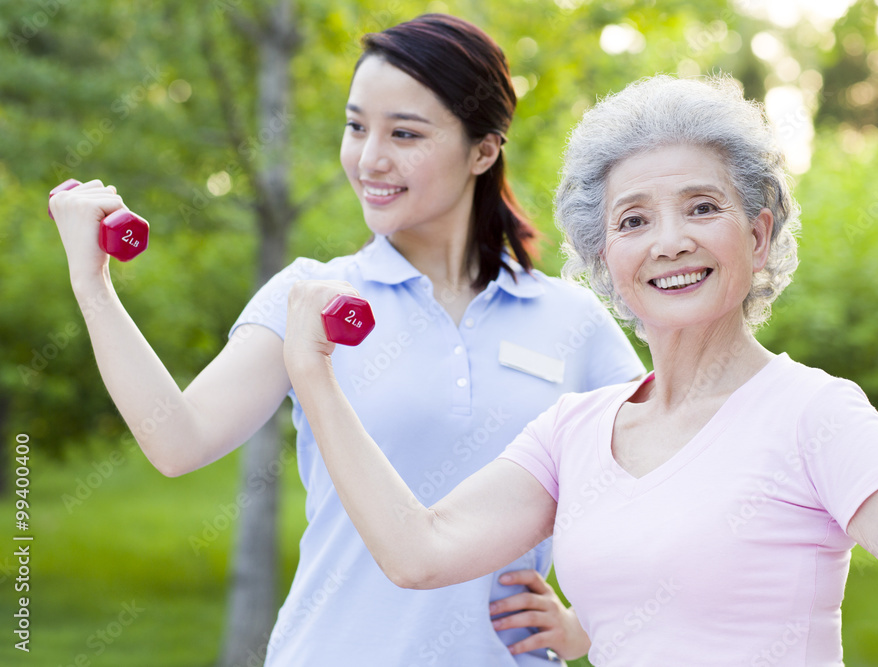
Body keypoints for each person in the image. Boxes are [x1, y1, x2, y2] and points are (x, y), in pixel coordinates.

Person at [281, 73, 878, 666]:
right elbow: (420, 550)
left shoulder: (814, 413)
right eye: (633, 220)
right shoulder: (575, 428)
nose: (670, 241)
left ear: (757, 232)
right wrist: (313, 375)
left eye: (702, 206)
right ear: (603, 261)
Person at [47, 14, 646, 666]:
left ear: (484, 149)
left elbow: (660, 497)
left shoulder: (572, 321)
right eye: (357, 126)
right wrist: (93, 286)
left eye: (405, 133)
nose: (369, 158)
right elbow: (176, 438)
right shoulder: (309, 297)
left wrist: (587, 623)